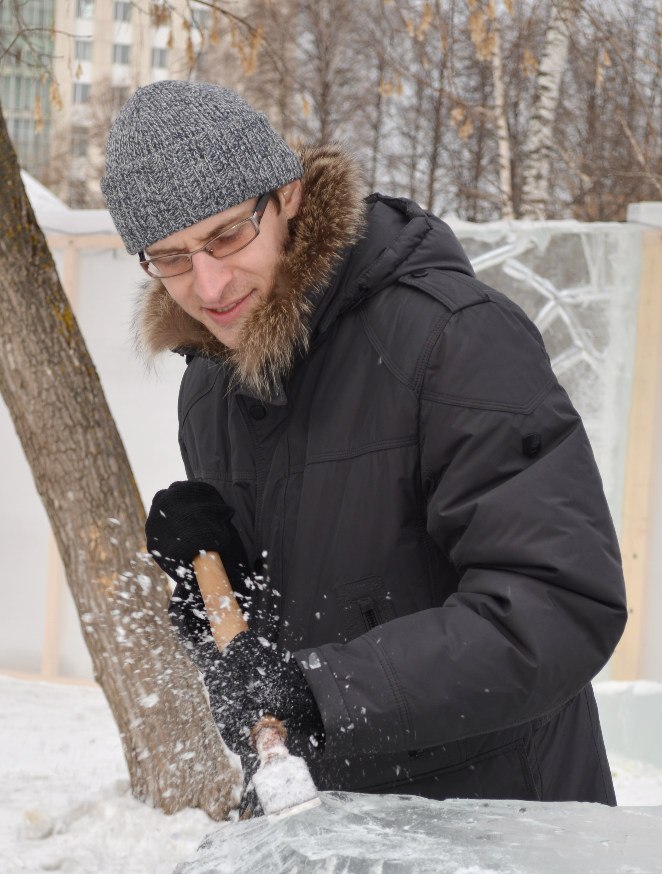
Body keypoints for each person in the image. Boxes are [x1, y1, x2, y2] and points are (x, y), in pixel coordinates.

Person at [101, 79, 627, 810]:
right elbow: (282, 652)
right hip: (330, 848)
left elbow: (558, 606)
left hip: (494, 840)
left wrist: (320, 693)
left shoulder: (451, 340)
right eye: (172, 257)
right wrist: (210, 595)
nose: (210, 283)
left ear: (284, 194)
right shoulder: (212, 387)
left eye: (226, 236)